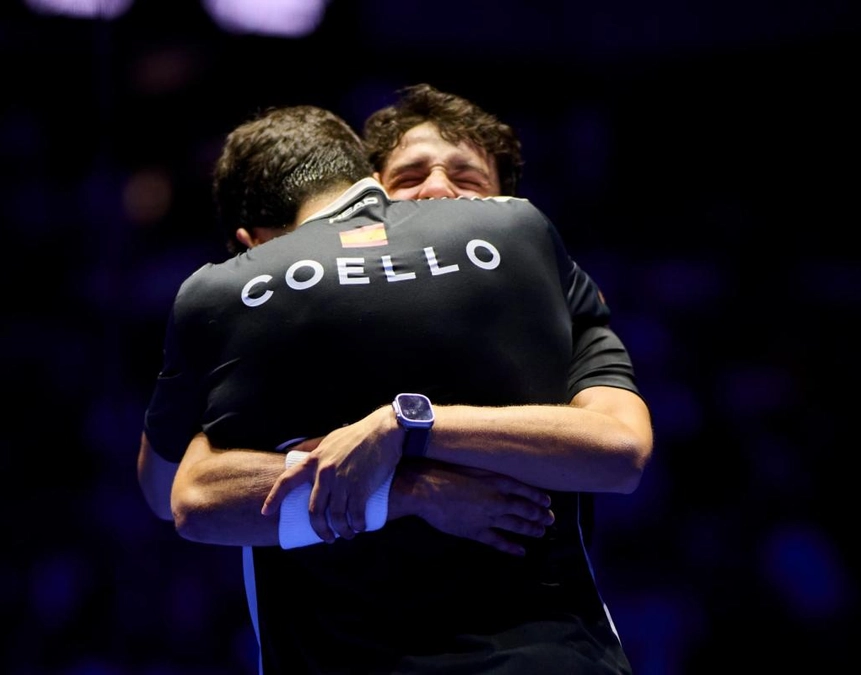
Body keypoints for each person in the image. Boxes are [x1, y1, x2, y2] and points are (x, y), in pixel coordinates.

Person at [140, 103, 648, 673]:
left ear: (504, 204)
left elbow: (619, 450)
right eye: (410, 177)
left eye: (468, 180)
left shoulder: (548, 282)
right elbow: (195, 495)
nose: (437, 193)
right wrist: (412, 489)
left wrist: (407, 425)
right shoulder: (271, 313)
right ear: (369, 192)